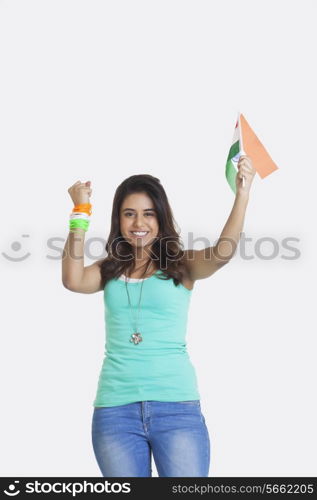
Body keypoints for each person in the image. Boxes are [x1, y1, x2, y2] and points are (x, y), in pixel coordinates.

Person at [62, 157, 256, 477]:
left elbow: (222, 252)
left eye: (148, 213)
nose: (139, 222)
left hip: (177, 409)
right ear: (119, 220)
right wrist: (80, 213)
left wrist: (243, 194)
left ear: (161, 218)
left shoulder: (182, 266)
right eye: (130, 213)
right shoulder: (109, 269)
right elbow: (72, 280)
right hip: (115, 412)